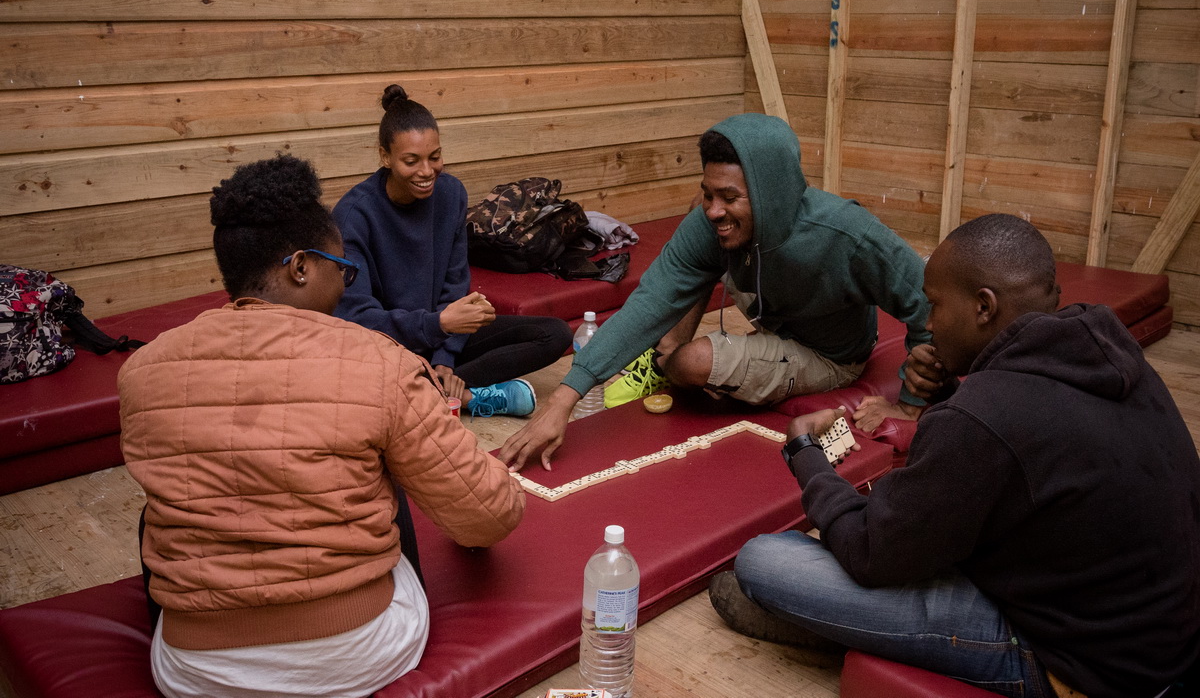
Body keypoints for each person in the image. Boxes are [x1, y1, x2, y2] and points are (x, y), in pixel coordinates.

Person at [709, 213, 1200, 698]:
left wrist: (805, 452)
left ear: (983, 307)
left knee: (766, 561)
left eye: (936, 305)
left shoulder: (986, 416)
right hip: (1162, 634)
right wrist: (948, 396)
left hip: (1084, 666)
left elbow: (871, 553)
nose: (926, 323)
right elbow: (1011, 463)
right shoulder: (1111, 354)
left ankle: (845, 633)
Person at [119, 154, 525, 698]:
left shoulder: (142, 371)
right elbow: (487, 516)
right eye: (343, 269)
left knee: (161, 507)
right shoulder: (379, 362)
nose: (344, 283)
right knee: (387, 470)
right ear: (301, 266)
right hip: (352, 652)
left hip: (195, 673)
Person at [499, 112, 931, 471]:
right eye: (709, 192)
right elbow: (652, 300)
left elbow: (928, 306)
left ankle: (680, 358)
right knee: (703, 231)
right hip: (768, 304)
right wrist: (563, 398)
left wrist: (908, 407)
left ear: (772, 194)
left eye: (729, 196)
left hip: (830, 354)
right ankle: (662, 355)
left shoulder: (846, 234)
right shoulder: (717, 221)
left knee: (691, 364)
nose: (715, 208)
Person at [333, 85, 573, 418]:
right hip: (388, 346)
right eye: (411, 160)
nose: (427, 171)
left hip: (441, 332)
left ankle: (439, 389)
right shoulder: (353, 216)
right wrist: (439, 325)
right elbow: (358, 320)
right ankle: (467, 397)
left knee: (554, 333)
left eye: (435, 157)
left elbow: (455, 284)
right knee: (363, 375)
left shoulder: (451, 194)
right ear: (385, 157)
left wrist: (445, 357)